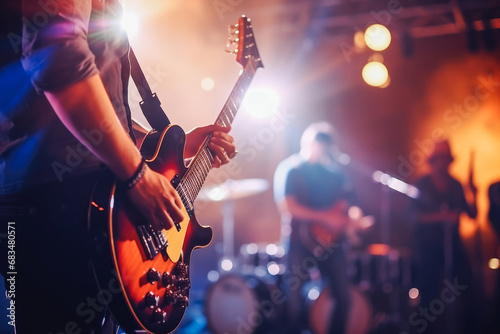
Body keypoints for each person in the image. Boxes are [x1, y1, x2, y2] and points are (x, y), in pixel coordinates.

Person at [0, 0, 236, 333]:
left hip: (74, 194)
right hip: (53, 199)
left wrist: (163, 144)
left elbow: (106, 107)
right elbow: (58, 59)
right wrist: (137, 175)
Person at [273, 122, 356, 334]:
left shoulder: (336, 174)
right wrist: (324, 217)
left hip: (333, 243)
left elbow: (347, 205)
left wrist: (352, 220)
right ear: (308, 143)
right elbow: (288, 206)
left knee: (344, 298)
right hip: (300, 243)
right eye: (319, 145)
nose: (322, 150)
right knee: (293, 300)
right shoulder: (293, 170)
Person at [411, 139, 478, 334]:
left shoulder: (456, 185)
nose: (443, 162)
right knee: (429, 294)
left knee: (469, 289)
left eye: (446, 159)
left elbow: (472, 215)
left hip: (454, 247)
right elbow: (411, 217)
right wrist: (440, 217)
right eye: (439, 158)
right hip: (428, 247)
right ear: (433, 161)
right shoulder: (421, 185)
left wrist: (474, 194)